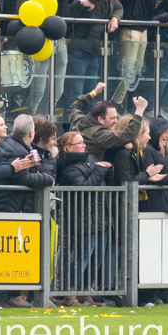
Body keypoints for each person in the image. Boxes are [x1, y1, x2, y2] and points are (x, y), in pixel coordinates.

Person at [55, 130, 115, 307]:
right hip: (83, 217)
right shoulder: (67, 166)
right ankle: (71, 293)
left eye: (83, 142)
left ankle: (86, 291)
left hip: (100, 215)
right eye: (80, 143)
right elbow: (84, 186)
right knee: (83, 257)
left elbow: (101, 181)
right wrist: (100, 170)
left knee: (97, 258)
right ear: (68, 147)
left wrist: (108, 169)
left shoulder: (90, 159)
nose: (84, 145)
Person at [66, 82, 149, 161]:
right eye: (112, 118)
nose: (116, 121)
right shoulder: (99, 134)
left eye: (116, 117)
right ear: (100, 119)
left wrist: (94, 92)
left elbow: (73, 107)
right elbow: (128, 135)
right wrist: (140, 109)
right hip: (89, 170)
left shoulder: (79, 121)